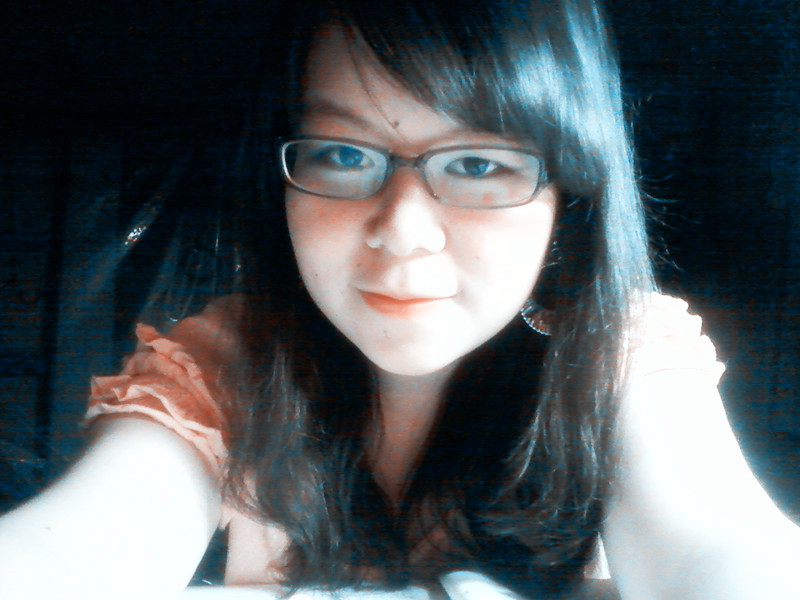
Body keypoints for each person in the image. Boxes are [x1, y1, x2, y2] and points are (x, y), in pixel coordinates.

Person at [0, 1, 798, 599]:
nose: (402, 231)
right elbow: (82, 547)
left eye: (479, 164)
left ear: (567, 197)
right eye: (345, 155)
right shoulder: (233, 358)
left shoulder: (617, 357)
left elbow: (715, 544)